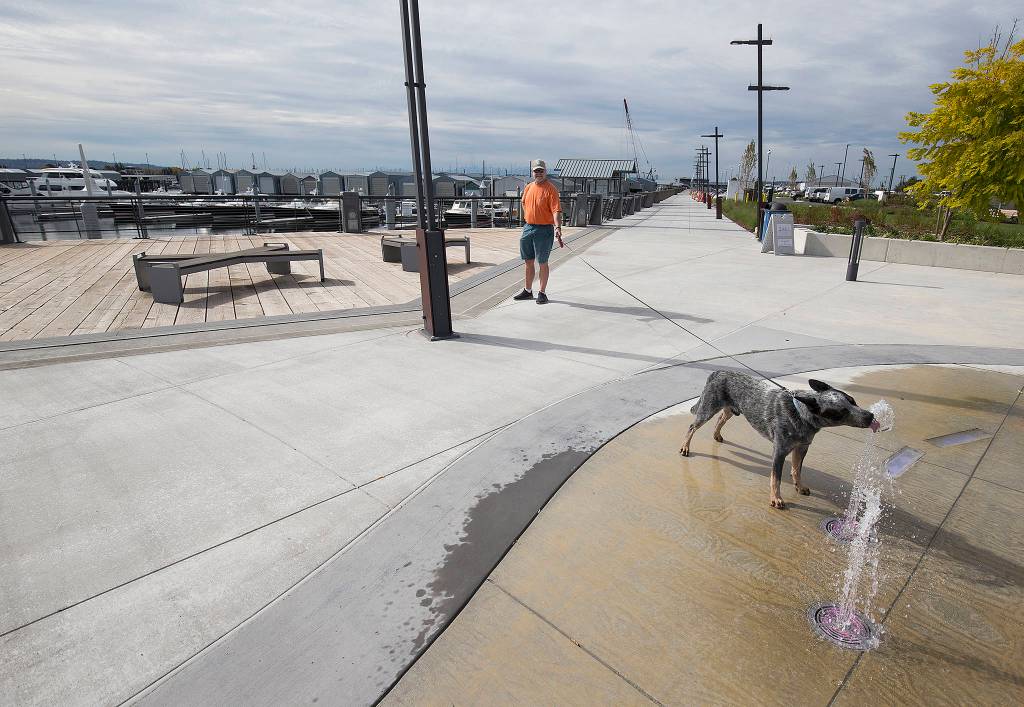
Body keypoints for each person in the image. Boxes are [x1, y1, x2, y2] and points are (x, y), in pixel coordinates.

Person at [513, 159, 563, 304]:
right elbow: (523, 203)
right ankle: (528, 291)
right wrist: (529, 216)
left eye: (541, 170)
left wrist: (558, 227)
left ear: (545, 171)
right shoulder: (528, 187)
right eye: (536, 171)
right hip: (529, 227)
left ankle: (542, 292)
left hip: (544, 229)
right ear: (532, 172)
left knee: (542, 262)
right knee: (528, 261)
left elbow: (556, 210)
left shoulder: (551, 189)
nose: (538, 173)